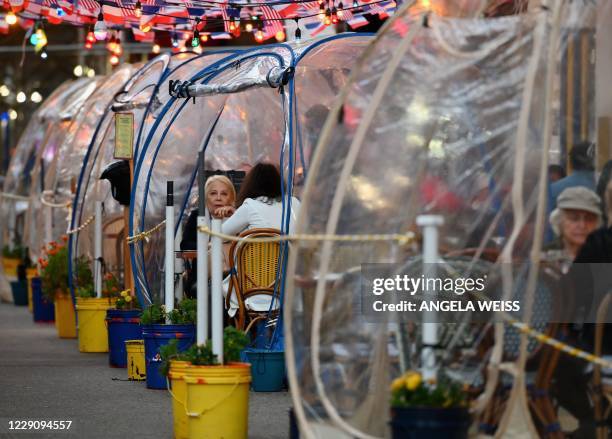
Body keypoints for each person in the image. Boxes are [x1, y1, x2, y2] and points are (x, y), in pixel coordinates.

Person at [213, 163, 300, 317]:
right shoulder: (294, 204)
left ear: (251, 184)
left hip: (253, 289)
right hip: (289, 289)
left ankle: (230, 338)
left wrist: (232, 217)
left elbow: (218, 235)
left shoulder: (250, 206)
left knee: (212, 287)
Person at [544, 186, 602, 271]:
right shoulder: (546, 256)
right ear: (559, 221)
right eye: (574, 218)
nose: (582, 225)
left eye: (589, 218)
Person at [180, 175, 236, 251]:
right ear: (206, 197)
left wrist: (235, 215)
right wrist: (208, 246)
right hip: (203, 262)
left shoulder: (236, 215)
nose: (218, 198)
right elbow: (185, 245)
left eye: (224, 194)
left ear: (231, 198)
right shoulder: (197, 215)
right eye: (213, 193)